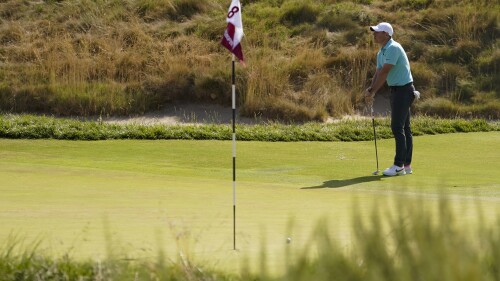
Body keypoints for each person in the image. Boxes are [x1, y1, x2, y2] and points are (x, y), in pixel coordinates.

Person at [365, 22, 416, 176]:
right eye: (374, 32)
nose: (374, 34)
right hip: (397, 91)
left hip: (404, 90)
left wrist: (373, 91)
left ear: (386, 34)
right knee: (405, 128)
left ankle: (399, 165)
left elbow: (385, 72)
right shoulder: (381, 52)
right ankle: (406, 165)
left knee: (397, 127)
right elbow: (378, 72)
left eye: (377, 32)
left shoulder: (393, 48)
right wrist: (370, 89)